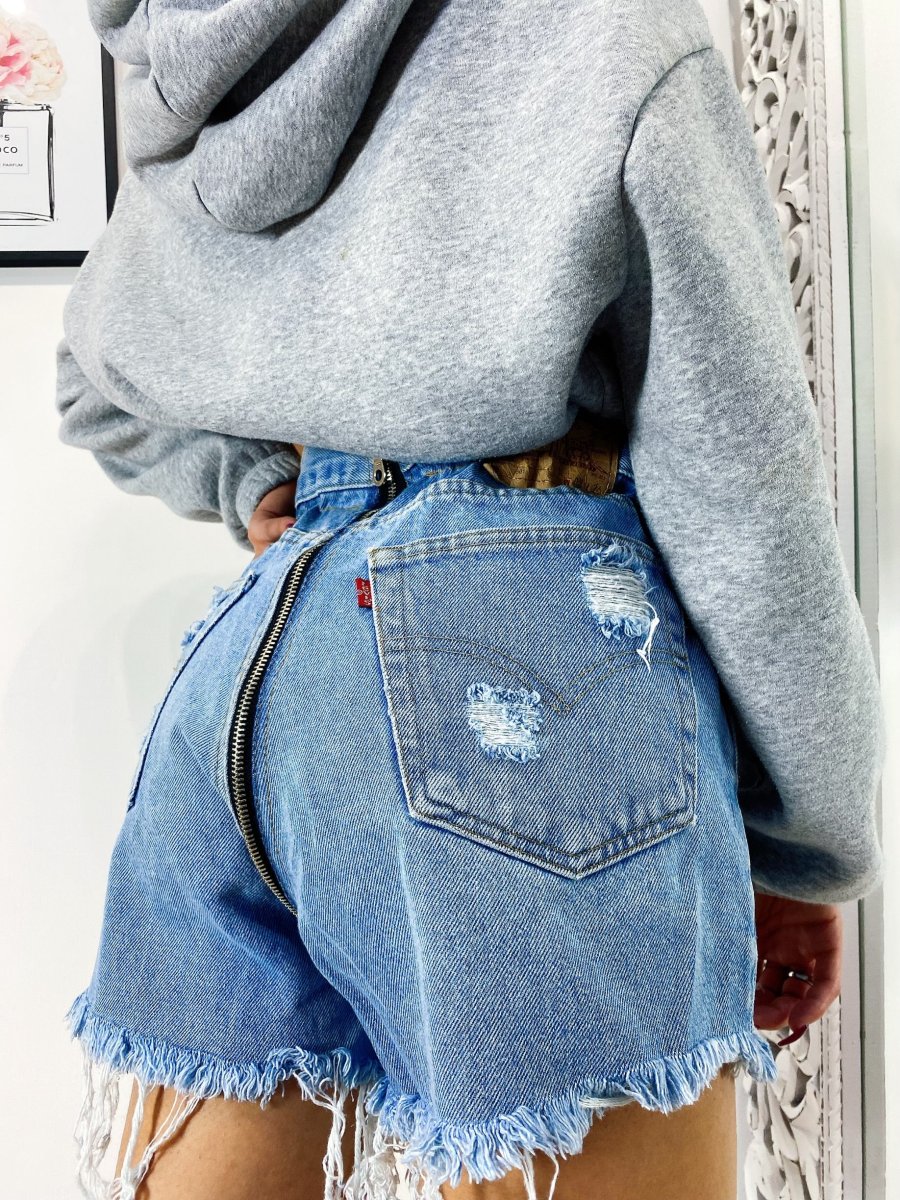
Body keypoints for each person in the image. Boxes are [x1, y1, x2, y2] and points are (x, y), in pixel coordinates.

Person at [56, 2, 884, 1198]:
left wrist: (273, 485)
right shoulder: (597, 28)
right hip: (521, 664)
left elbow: (96, 388)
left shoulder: (195, 71)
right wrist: (808, 843)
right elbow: (741, 485)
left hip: (247, 693)